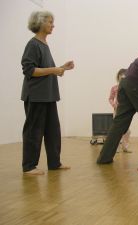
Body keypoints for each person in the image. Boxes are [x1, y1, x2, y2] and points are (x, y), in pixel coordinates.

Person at [21, 11, 74, 175]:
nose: (53, 25)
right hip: (36, 96)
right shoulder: (33, 44)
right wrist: (54, 69)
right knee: (33, 131)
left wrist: (62, 68)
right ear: (40, 23)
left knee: (53, 131)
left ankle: (54, 163)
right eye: (50, 22)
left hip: (49, 95)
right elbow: (29, 70)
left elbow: (45, 70)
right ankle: (29, 166)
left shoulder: (44, 44)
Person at [109, 69, 131, 153]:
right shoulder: (114, 88)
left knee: (127, 131)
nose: (122, 77)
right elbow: (110, 98)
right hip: (117, 111)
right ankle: (116, 148)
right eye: (121, 75)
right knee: (117, 130)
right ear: (118, 77)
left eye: (124, 75)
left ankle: (125, 147)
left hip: (126, 111)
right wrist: (114, 105)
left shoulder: (128, 87)